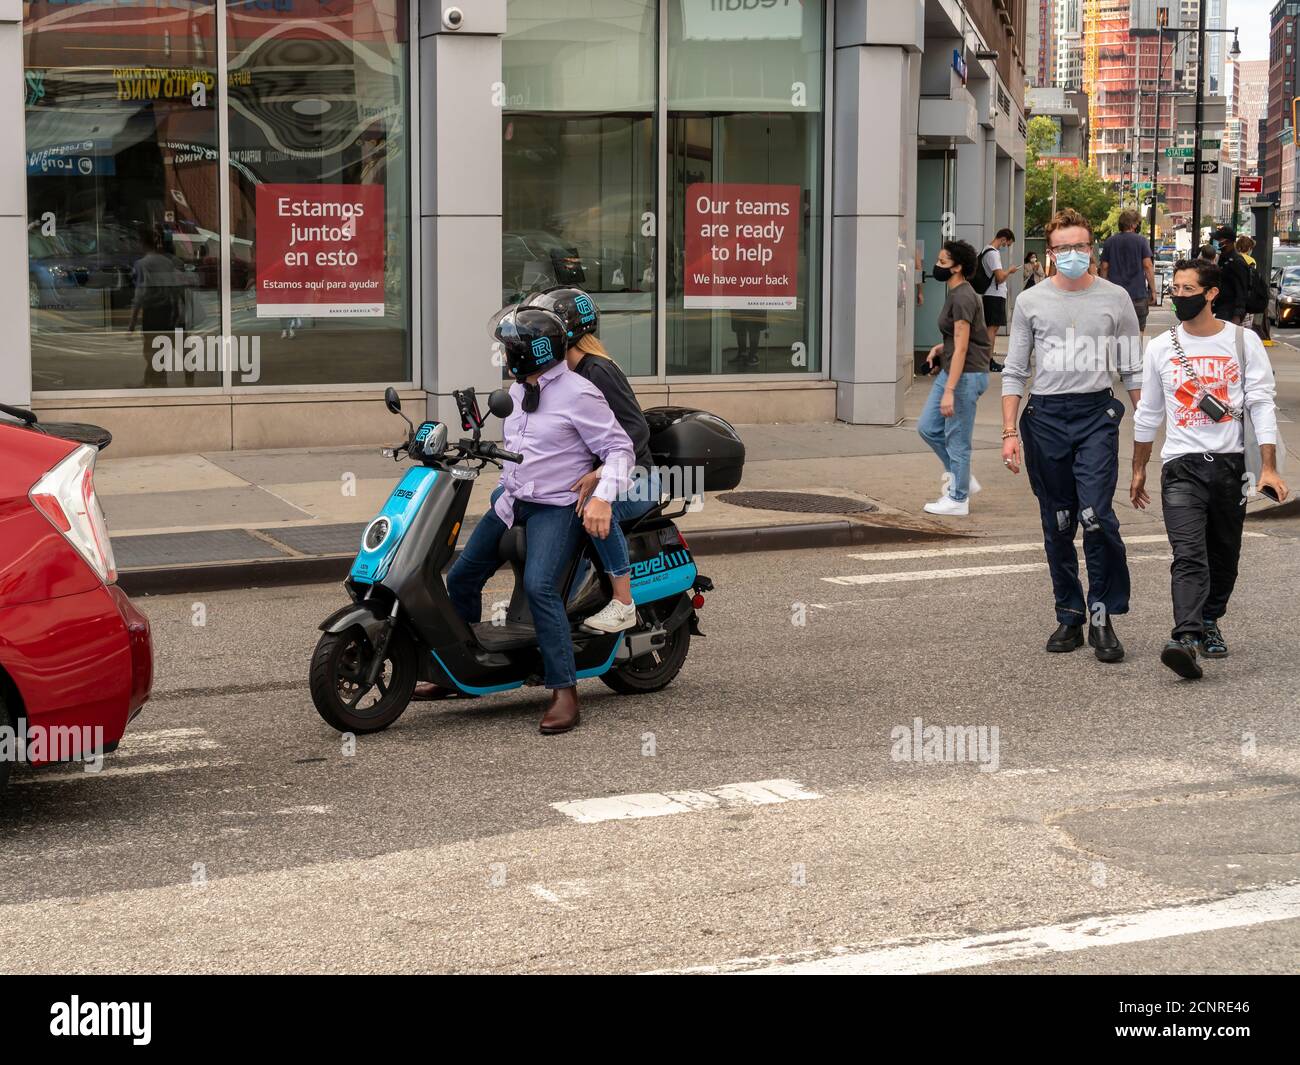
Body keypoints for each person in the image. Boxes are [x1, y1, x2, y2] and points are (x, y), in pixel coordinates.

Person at [413, 304, 636, 735]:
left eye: (509, 348)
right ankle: (461, 671)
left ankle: (564, 690)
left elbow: (620, 450)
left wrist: (603, 497)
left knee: (540, 588)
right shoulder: (516, 392)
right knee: (460, 577)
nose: (503, 354)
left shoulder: (579, 392)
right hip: (512, 501)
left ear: (529, 353)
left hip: (556, 507)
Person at [1130, 260, 1288, 679]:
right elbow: (1148, 412)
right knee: (1189, 555)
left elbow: (1260, 405)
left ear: (1211, 293)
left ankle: (1210, 619)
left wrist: (1268, 468)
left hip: (1231, 466)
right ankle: (1185, 637)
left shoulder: (1242, 341)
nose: (1180, 295)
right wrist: (1138, 467)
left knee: (1224, 554)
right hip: (1181, 465)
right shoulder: (1161, 347)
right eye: (1176, 288)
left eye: (1188, 288)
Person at [1001, 207, 1143, 663]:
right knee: (1058, 521)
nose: (1072, 255)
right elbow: (1015, 371)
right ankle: (1069, 613)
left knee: (1097, 516)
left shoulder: (1115, 298)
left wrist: (1146, 420)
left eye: (1080, 246)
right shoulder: (1031, 301)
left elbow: (1132, 367)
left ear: (1092, 249)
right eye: (1062, 248)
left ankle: (1102, 615)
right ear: (1050, 253)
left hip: (1096, 415)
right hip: (1044, 419)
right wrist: (1009, 432)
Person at [526, 286, 658, 634]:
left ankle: (622, 602)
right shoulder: (563, 374)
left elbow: (635, 432)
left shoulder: (596, 370)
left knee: (591, 508)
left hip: (637, 479)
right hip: (603, 476)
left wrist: (600, 475)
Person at [918, 239, 991, 516]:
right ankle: (962, 479)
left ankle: (959, 499)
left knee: (957, 439)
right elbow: (957, 340)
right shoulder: (957, 291)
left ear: (958, 267)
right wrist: (940, 348)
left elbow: (962, 346)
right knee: (927, 427)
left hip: (965, 376)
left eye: (943, 263)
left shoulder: (962, 297)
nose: (937, 267)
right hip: (954, 371)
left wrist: (950, 389)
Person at [1099, 209, 1155, 337]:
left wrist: (1103, 288)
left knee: (1114, 331)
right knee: (1138, 331)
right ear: (1133, 224)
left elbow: (1104, 266)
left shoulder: (1109, 242)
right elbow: (1147, 265)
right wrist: (1153, 291)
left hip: (1114, 296)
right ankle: (1135, 355)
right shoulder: (1141, 241)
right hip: (1137, 295)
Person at [979, 228, 1015, 371]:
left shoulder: (986, 250)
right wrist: (1009, 271)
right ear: (1003, 239)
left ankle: (988, 360)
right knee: (992, 330)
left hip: (991, 294)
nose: (1005, 247)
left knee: (991, 328)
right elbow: (1000, 278)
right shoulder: (993, 254)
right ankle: (989, 361)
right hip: (994, 294)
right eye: (1007, 244)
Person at [1210, 225, 1251, 325]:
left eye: (1219, 240)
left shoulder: (1237, 262)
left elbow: (1241, 290)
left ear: (1227, 241)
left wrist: (1237, 316)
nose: (1216, 242)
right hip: (1221, 308)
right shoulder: (1224, 259)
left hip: (1230, 312)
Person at [1235, 234, 1272, 343]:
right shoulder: (1250, 261)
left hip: (1234, 298)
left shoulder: (1233, 258)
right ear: (1249, 248)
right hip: (1246, 299)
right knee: (1245, 328)